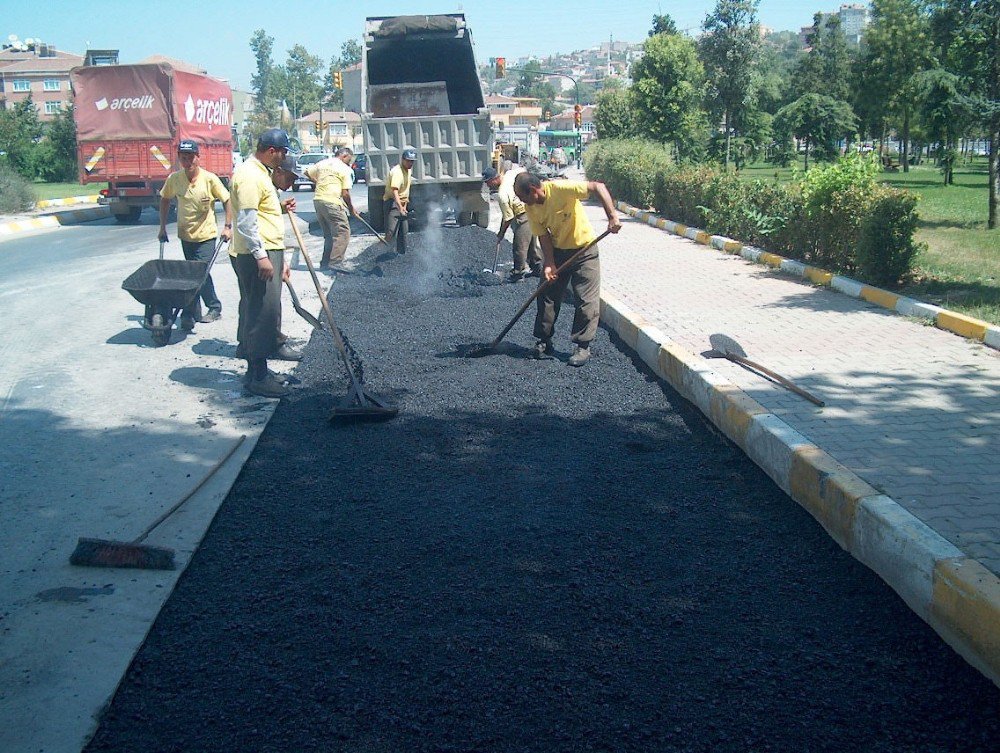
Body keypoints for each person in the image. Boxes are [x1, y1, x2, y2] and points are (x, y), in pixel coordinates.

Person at [513, 172, 621, 367]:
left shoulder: (560, 189)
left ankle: (583, 346)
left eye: (523, 197)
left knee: (585, 299)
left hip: (584, 251)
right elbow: (543, 236)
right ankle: (544, 341)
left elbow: (598, 186)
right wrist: (549, 263)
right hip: (558, 251)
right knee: (546, 294)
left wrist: (612, 216)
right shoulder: (531, 207)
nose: (522, 202)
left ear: (534, 190)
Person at [230, 128, 300, 398]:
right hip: (255, 255)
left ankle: (258, 372)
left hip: (269, 250)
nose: (283, 158)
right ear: (271, 150)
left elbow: (259, 212)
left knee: (263, 311)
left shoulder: (261, 173)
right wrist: (262, 257)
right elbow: (247, 222)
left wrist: (281, 209)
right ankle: (258, 377)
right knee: (260, 314)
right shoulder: (249, 175)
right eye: (283, 152)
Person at [157, 139, 232, 329]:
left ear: (198, 157)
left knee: (199, 273)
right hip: (186, 236)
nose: (188, 161)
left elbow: (227, 200)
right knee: (191, 275)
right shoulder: (174, 179)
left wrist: (228, 226)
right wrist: (162, 227)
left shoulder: (209, 179)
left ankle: (204, 310)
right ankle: (194, 311)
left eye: (191, 157)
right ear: (179, 159)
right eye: (184, 158)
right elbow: (165, 200)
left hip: (206, 236)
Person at [483, 163, 541, 281]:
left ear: (494, 179)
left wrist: (501, 233)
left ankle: (518, 274)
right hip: (531, 209)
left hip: (523, 216)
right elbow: (522, 169)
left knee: (519, 245)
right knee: (531, 244)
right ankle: (538, 268)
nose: (487, 186)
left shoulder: (502, 195)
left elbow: (508, 218)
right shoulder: (509, 175)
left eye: (488, 183)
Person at [308, 146, 360, 270]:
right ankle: (336, 263)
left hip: (318, 201)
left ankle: (325, 263)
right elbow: (345, 193)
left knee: (329, 234)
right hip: (332, 202)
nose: (350, 162)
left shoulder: (323, 163)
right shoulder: (344, 168)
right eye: (349, 159)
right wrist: (351, 209)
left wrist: (320, 183)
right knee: (343, 232)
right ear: (344, 156)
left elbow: (308, 172)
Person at [383, 148, 416, 254]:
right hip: (393, 203)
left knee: (404, 231)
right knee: (391, 231)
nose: (410, 163)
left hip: (402, 203)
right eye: (408, 161)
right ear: (402, 160)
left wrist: (404, 205)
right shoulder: (397, 172)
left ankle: (402, 255)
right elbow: (395, 191)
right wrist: (400, 207)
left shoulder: (408, 171)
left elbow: (405, 191)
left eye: (412, 161)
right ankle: (387, 254)